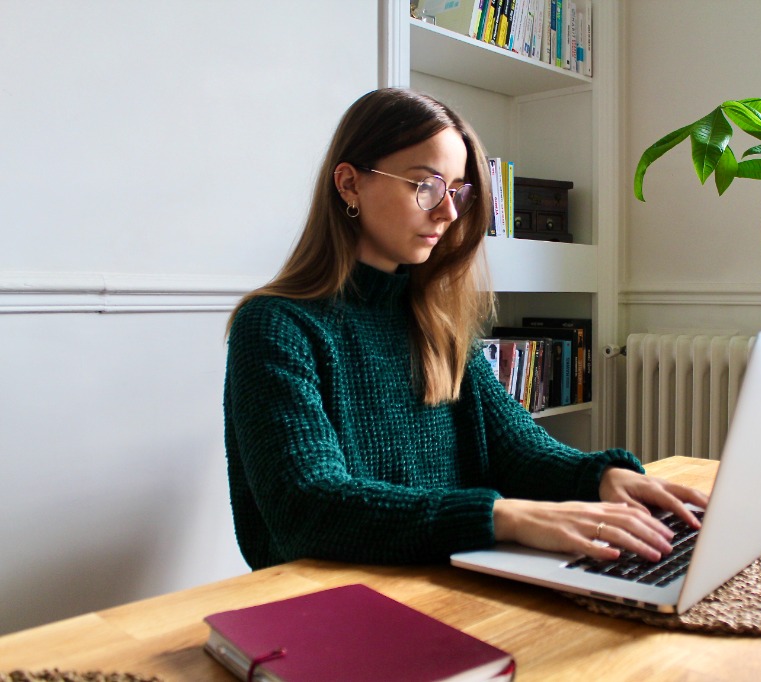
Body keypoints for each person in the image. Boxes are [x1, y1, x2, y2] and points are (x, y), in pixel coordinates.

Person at [223, 88, 708, 571]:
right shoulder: (276, 326)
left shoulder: (435, 318)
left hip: (443, 577)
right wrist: (502, 516)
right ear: (349, 184)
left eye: (457, 191)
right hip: (328, 603)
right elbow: (308, 507)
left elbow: (515, 449)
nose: (448, 212)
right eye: (426, 186)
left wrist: (599, 478)